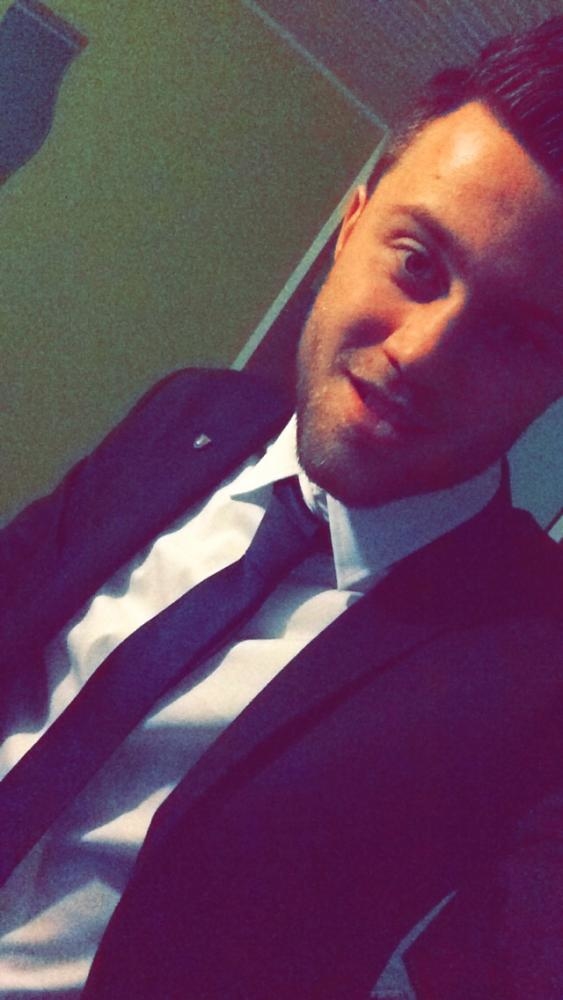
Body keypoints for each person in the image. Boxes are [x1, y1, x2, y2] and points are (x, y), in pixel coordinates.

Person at [1, 15, 563, 1000]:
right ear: (350, 227)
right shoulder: (190, 415)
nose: (418, 354)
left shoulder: (539, 661)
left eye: (514, 334)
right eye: (416, 263)